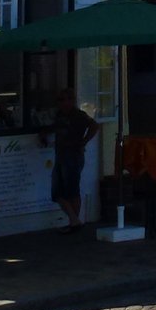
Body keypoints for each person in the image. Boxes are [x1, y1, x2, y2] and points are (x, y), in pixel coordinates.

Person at [41, 88, 100, 233]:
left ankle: (74, 221)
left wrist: (84, 141)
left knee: (72, 190)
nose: (62, 102)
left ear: (72, 100)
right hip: (61, 155)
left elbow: (94, 125)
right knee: (58, 192)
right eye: (59, 100)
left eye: (65, 99)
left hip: (73, 156)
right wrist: (44, 133)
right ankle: (74, 220)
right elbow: (55, 128)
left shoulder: (78, 115)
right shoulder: (60, 115)